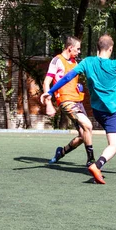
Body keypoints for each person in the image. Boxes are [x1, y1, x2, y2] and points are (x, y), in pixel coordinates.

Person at [41, 34, 116, 184]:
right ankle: (97, 165)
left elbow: (67, 77)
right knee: (114, 143)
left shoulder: (87, 62)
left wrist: (50, 92)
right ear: (111, 48)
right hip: (112, 111)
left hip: (97, 111)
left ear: (97, 48)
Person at [42, 36, 95, 166]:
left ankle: (61, 152)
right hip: (66, 101)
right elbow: (46, 82)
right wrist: (48, 103)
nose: (78, 52)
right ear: (70, 48)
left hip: (78, 101)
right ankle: (91, 161)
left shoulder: (75, 63)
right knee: (88, 125)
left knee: (84, 134)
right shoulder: (57, 60)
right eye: (77, 49)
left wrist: (78, 86)